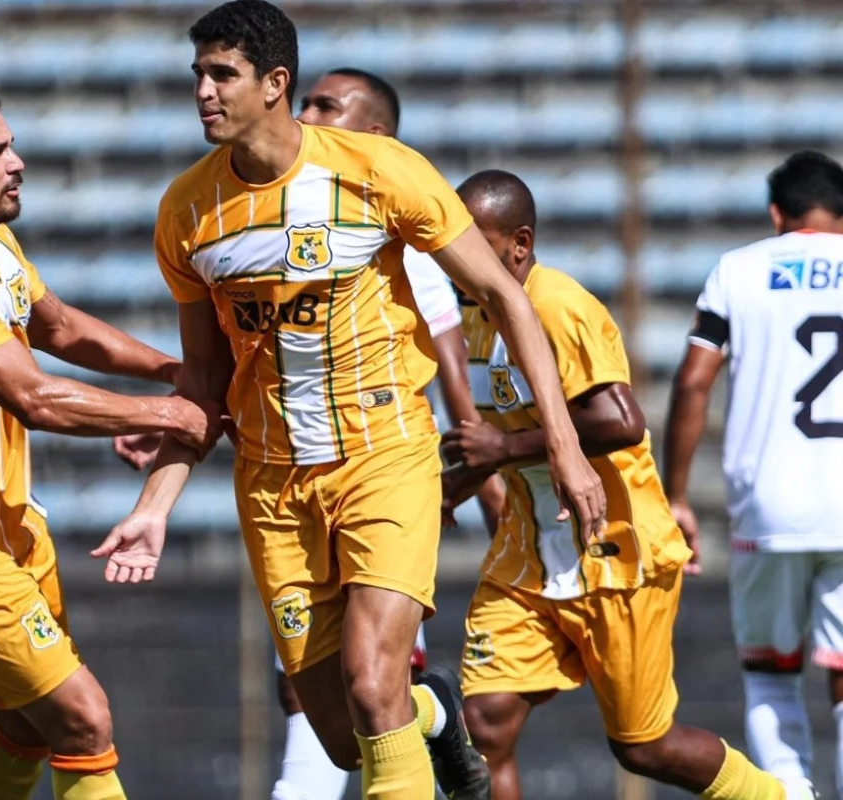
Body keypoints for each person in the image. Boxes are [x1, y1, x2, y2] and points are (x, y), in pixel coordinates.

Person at [93, 4, 606, 799]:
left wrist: (567, 450)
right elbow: (203, 380)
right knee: (339, 734)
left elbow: (504, 294)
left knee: (374, 688)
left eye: (220, 74)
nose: (202, 90)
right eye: (197, 73)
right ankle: (436, 719)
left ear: (274, 84)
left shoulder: (378, 170)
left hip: (384, 458)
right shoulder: (187, 212)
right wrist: (156, 502)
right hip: (272, 483)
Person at [0, 82, 221, 800]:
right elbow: (32, 397)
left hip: (7, 530)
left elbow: (58, 328)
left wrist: (173, 370)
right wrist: (167, 415)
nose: (18, 162)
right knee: (84, 721)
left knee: (29, 725)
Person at [444, 169, 807, 800]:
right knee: (483, 723)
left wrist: (500, 448)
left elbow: (620, 419)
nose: (458, 254)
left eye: (475, 239)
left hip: (617, 554)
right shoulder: (474, 316)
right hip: (527, 560)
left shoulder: (556, 306)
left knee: (643, 747)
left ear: (519, 245)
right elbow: (515, 431)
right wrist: (460, 479)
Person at [663, 150, 843, 797]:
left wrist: (677, 495)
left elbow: (692, 382)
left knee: (770, 672)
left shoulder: (739, 270)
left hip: (769, 505)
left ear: (777, 214)